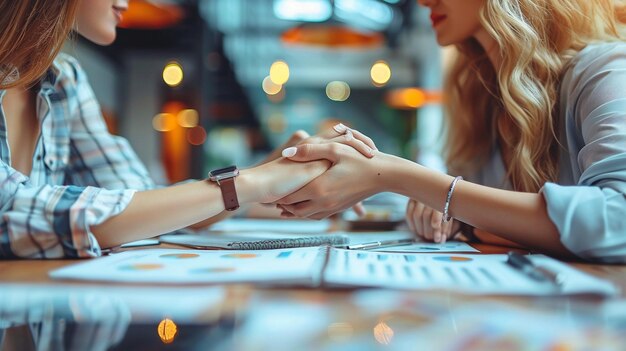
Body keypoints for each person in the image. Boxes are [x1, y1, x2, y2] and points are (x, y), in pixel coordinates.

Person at [0, 0, 376, 259]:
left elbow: (141, 203)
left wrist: (265, 172)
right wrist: (252, 184)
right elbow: (12, 213)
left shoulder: (64, 80)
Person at [277, 0, 626, 263]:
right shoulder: (481, 99)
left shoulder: (606, 70)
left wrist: (401, 177)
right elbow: (491, 223)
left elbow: (618, 220)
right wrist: (458, 219)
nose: (423, 1)